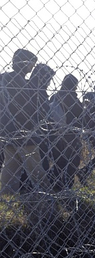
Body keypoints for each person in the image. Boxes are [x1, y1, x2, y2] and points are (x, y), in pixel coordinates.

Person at [0, 50, 53, 195]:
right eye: (31, 64)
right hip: (24, 131)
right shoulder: (18, 80)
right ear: (24, 62)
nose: (32, 68)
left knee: (11, 166)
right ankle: (46, 193)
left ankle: (6, 195)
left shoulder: (5, 78)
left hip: (8, 131)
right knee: (35, 166)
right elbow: (27, 107)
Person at [47, 74, 84, 192]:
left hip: (55, 133)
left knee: (59, 161)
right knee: (73, 160)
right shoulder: (72, 98)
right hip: (70, 134)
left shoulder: (55, 96)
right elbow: (80, 116)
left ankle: (55, 184)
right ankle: (67, 184)